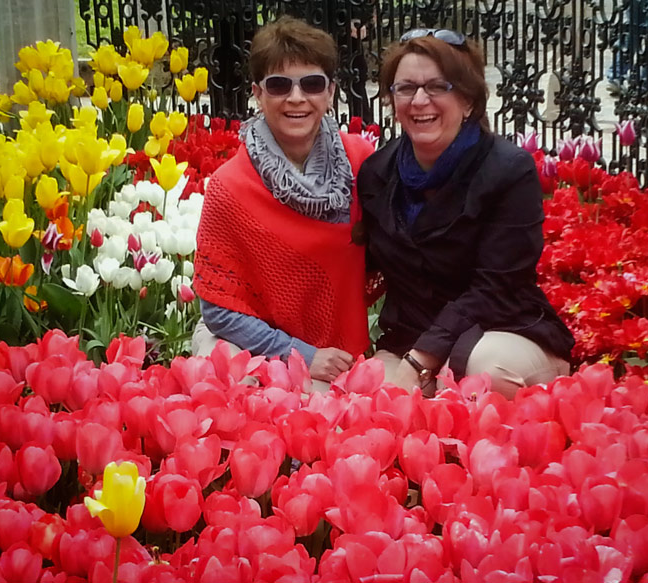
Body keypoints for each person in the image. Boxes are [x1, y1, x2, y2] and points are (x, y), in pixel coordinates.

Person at [357, 28, 574, 399]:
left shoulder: (507, 170)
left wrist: (421, 360)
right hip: (410, 338)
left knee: (481, 372)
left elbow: (497, 287)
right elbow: (360, 264)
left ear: (469, 101)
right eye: (405, 87)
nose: (419, 100)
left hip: (502, 333)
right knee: (372, 396)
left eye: (438, 87)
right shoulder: (378, 173)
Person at [192, 17, 374, 389]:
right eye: (278, 85)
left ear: (331, 92)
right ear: (258, 94)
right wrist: (299, 355)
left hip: (335, 352)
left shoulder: (362, 164)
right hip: (250, 344)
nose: (296, 98)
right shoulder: (230, 186)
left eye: (312, 84)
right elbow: (219, 310)